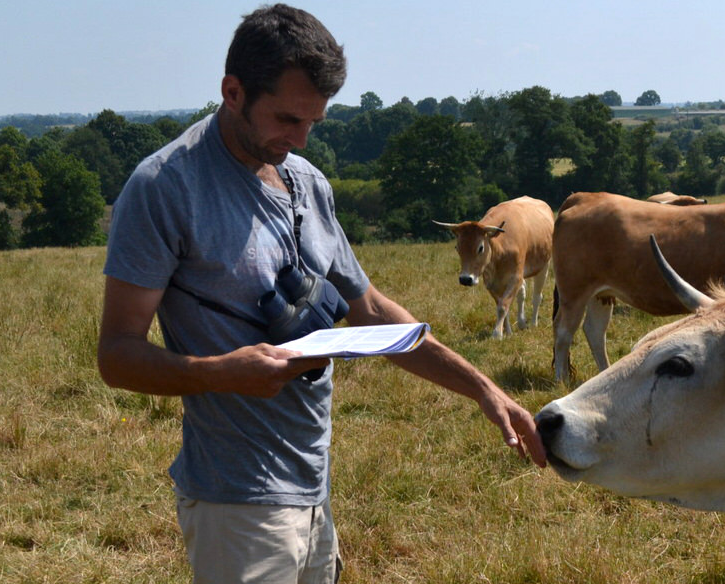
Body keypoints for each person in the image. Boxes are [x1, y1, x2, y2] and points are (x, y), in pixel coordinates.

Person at [96, 5, 545, 583]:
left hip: (314, 484)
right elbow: (117, 354)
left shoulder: (308, 182)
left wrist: (483, 389)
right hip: (236, 502)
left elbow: (374, 311)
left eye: (314, 123)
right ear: (233, 92)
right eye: (287, 118)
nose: (300, 139)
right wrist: (219, 372)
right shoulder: (165, 188)